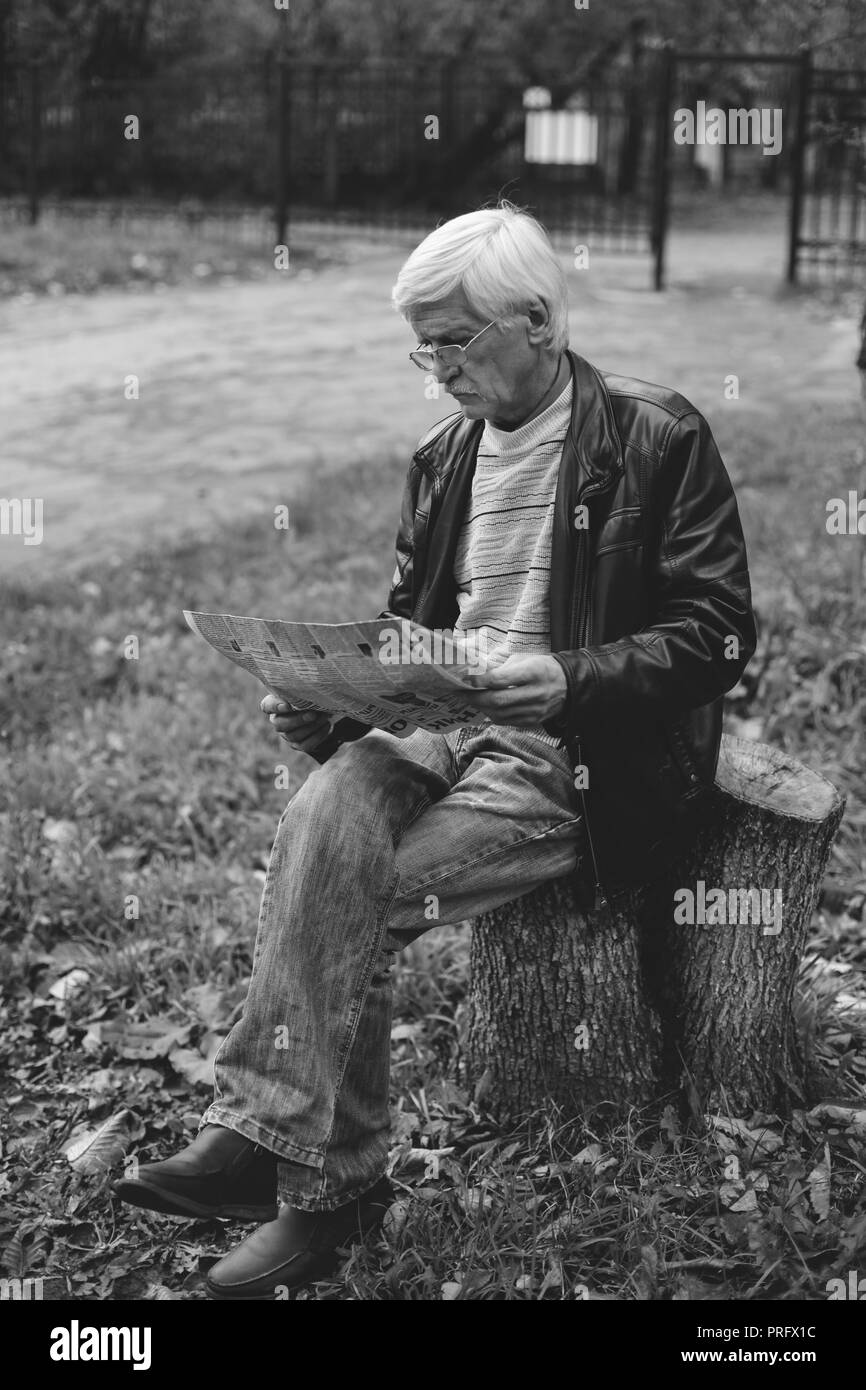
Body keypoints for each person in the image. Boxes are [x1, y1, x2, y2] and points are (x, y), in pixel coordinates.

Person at [113, 203, 756, 1299]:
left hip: (574, 755)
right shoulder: (444, 453)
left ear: (540, 322)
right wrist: (325, 704)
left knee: (345, 894)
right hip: (442, 727)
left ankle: (318, 1185)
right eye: (422, 345)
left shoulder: (657, 434)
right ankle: (283, 1151)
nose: (434, 370)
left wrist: (567, 677)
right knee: (327, 802)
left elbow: (717, 632)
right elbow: (409, 627)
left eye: (453, 341)